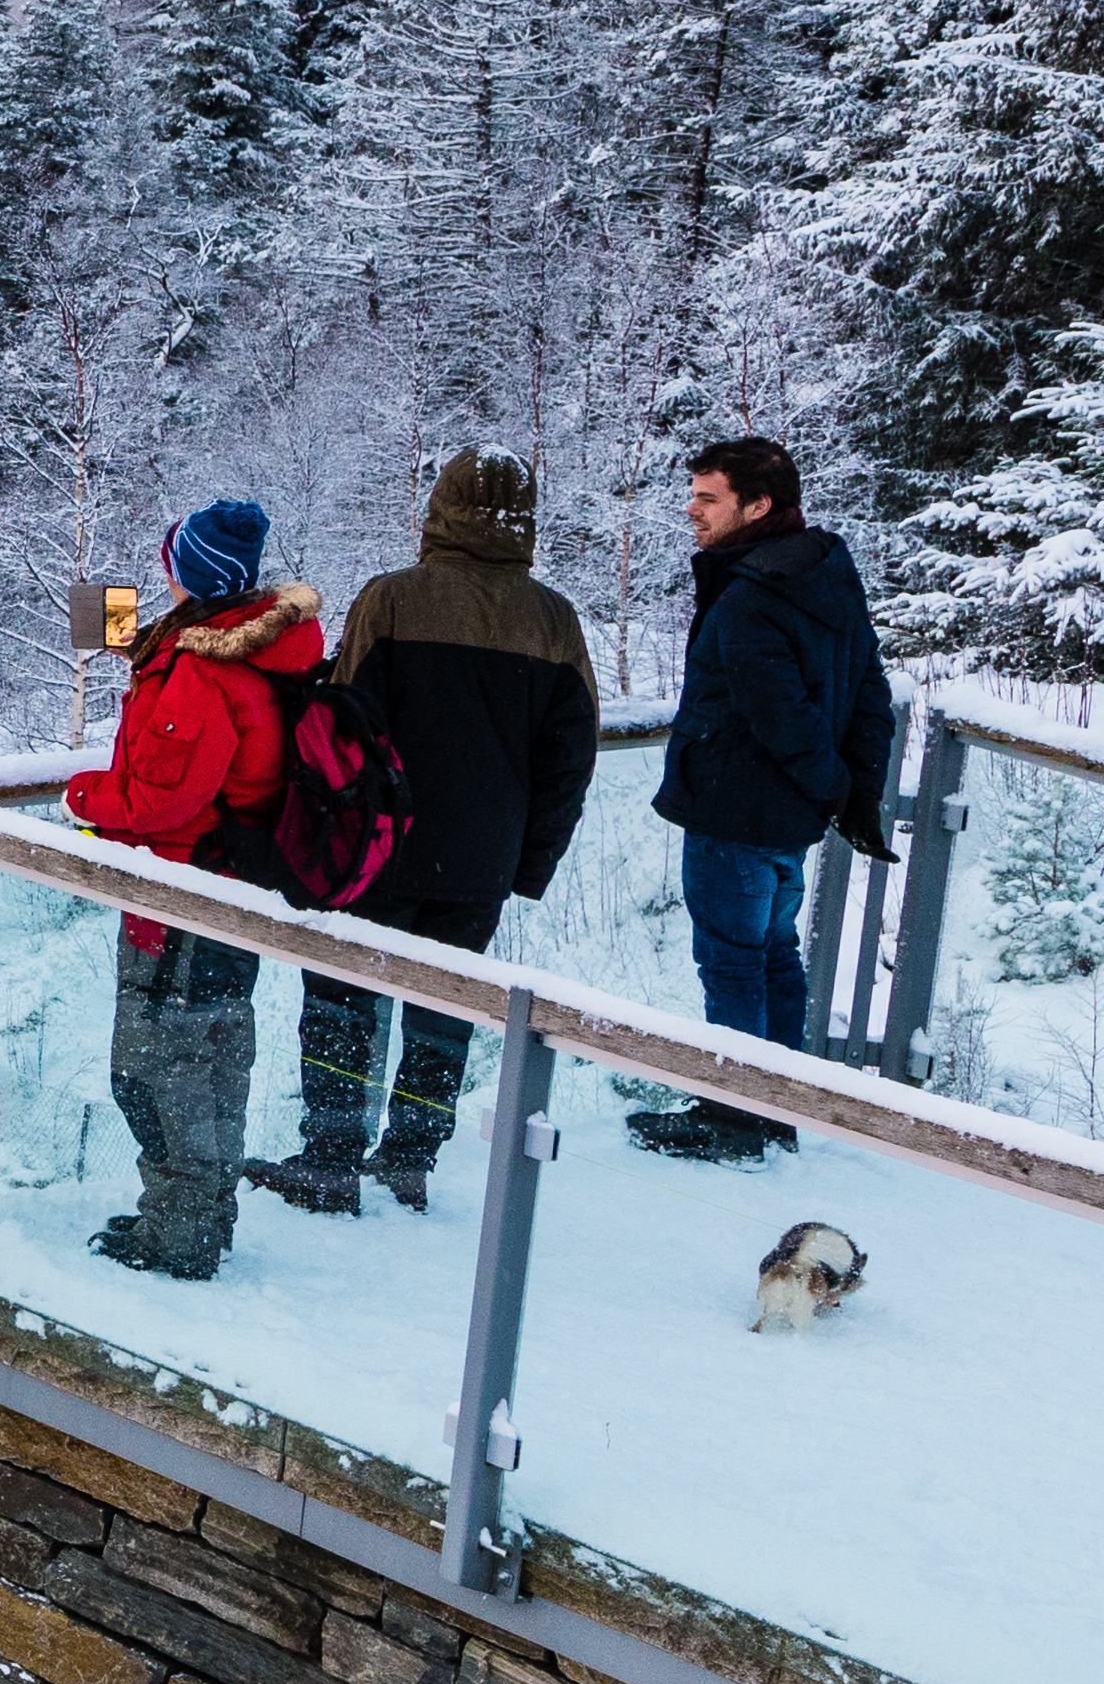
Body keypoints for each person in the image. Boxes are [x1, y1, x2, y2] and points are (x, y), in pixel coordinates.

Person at [249, 452, 602, 1215]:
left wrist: (314, 842)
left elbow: (338, 726)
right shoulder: (553, 619)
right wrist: (527, 860)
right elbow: (570, 757)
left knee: (341, 994)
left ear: (438, 508)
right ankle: (409, 1158)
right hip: (482, 858)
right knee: (445, 1004)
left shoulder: (391, 599)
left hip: (377, 846)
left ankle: (330, 1154)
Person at [66, 497, 319, 1277]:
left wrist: (82, 796)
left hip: (177, 901)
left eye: (171, 562)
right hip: (230, 892)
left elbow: (157, 800)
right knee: (212, 1059)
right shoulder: (257, 648)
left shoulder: (199, 672)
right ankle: (200, 1219)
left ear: (192, 575)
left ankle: (175, 1237)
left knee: (152, 1069)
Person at [639, 436, 895, 1163]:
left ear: (757, 506)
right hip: (784, 818)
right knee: (772, 955)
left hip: (733, 809)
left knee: (731, 961)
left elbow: (778, 713)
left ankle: (732, 1117)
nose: (690, 509)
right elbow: (868, 696)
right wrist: (844, 794)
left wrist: (835, 788)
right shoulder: (822, 572)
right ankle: (772, 1110)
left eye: (706, 497)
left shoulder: (752, 594)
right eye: (692, 493)